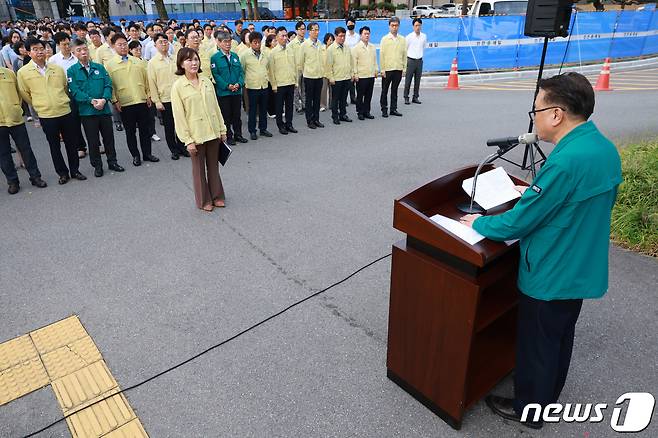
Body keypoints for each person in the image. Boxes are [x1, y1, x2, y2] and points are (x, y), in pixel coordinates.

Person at [460, 73, 622, 430]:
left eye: (536, 110)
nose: (533, 117)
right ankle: (548, 397)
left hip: (552, 270)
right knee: (560, 336)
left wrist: (479, 225)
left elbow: (520, 222)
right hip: (581, 264)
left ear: (557, 114)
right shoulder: (602, 149)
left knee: (538, 343)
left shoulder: (565, 162)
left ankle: (530, 409)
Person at [17, 38, 86, 184]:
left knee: (71, 143)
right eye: (35, 49)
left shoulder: (56, 68)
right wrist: (39, 104)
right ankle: (62, 173)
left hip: (65, 111)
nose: (39, 51)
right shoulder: (23, 73)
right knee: (54, 146)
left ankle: (75, 170)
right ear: (29, 53)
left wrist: (60, 100)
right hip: (46, 114)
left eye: (41, 48)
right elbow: (25, 94)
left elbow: (65, 88)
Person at [171, 47, 227, 212]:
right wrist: (187, 140)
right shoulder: (178, 87)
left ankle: (217, 196)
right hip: (195, 135)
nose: (193, 63)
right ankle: (204, 200)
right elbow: (179, 117)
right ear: (181, 64)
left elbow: (216, 107)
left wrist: (222, 129)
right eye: (189, 60)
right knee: (199, 170)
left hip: (212, 131)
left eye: (195, 59)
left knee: (213, 167)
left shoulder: (206, 81)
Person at [67, 39, 125, 177]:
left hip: (104, 109)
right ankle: (97, 165)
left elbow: (108, 84)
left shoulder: (99, 67)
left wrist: (104, 99)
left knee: (109, 138)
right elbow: (75, 91)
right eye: (79, 50)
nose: (83, 52)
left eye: (85, 49)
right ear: (73, 53)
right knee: (93, 141)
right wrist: (91, 101)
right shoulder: (72, 71)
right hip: (88, 112)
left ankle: (112, 161)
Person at [105, 33, 159, 167]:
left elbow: (146, 80)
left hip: (141, 100)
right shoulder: (110, 65)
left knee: (144, 130)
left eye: (125, 44)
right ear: (113, 46)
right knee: (130, 131)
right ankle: (135, 155)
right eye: (119, 44)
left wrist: (148, 95)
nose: (123, 47)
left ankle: (147, 153)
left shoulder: (137, 61)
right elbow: (110, 85)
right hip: (125, 103)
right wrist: (114, 100)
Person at [0, 65, 47, 194]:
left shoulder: (9, 73)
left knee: (26, 149)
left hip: (15, 118)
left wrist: (17, 108)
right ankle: (12, 181)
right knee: (3, 154)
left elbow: (18, 92)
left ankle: (35, 177)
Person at [148, 33, 188, 160]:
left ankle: (182, 147)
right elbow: (152, 83)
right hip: (165, 99)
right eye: (160, 42)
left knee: (181, 124)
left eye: (165, 41)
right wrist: (157, 101)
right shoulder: (152, 63)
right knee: (169, 126)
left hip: (179, 97)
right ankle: (174, 149)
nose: (164, 44)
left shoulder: (175, 59)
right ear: (155, 45)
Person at [50, 31, 89, 158]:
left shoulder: (78, 56)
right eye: (64, 44)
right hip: (68, 95)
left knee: (89, 119)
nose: (67, 47)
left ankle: (96, 144)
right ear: (58, 45)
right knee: (74, 122)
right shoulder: (53, 60)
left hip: (84, 92)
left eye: (68, 44)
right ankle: (80, 146)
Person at [210, 30, 247, 146]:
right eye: (225, 42)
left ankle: (238, 134)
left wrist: (239, 84)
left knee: (237, 115)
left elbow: (241, 72)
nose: (228, 44)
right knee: (226, 115)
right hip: (224, 92)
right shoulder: (215, 58)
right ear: (219, 43)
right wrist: (227, 86)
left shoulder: (235, 56)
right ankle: (229, 136)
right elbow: (216, 75)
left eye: (229, 41)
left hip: (236, 91)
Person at [239, 31, 273, 141]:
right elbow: (242, 70)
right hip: (252, 87)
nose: (257, 45)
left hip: (264, 85)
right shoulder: (245, 55)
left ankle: (263, 129)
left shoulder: (265, 54)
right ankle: (252, 131)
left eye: (259, 42)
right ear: (250, 43)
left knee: (263, 109)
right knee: (252, 110)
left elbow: (267, 68)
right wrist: (246, 82)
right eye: (254, 42)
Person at [268, 26, 298, 136]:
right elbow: (271, 71)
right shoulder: (273, 53)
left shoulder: (291, 50)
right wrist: (274, 85)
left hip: (290, 82)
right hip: (279, 84)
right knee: (279, 107)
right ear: (277, 37)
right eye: (282, 36)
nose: (285, 38)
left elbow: (295, 66)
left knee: (290, 105)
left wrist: (296, 81)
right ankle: (280, 125)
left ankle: (289, 124)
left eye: (286, 36)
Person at [325, 27, 353, 125]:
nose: (342, 38)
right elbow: (328, 65)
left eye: (344, 36)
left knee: (344, 98)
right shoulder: (331, 49)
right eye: (340, 36)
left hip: (346, 77)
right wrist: (331, 77)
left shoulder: (347, 47)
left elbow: (351, 62)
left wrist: (351, 74)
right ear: (336, 36)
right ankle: (335, 116)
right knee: (335, 98)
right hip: (336, 78)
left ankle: (343, 114)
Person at [379, 17, 406, 118]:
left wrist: (404, 68)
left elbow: (404, 54)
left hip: (398, 68)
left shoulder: (402, 39)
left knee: (395, 90)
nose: (394, 27)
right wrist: (382, 69)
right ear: (389, 26)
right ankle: (384, 109)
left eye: (396, 25)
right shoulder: (384, 39)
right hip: (387, 69)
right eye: (392, 25)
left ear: (399, 26)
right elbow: (382, 55)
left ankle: (393, 109)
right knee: (384, 90)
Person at [300, 22, 324, 130]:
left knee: (317, 98)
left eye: (317, 29)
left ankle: (316, 119)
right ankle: (309, 120)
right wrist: (307, 71)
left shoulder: (320, 44)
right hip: (309, 76)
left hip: (319, 75)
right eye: (314, 30)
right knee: (309, 99)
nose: (316, 32)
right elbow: (301, 62)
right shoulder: (304, 45)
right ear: (309, 32)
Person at [352, 26, 377, 120]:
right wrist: (355, 74)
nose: (367, 35)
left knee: (368, 95)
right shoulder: (356, 48)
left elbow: (375, 60)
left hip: (370, 74)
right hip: (361, 76)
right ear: (360, 35)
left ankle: (367, 111)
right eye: (365, 34)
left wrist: (376, 70)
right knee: (360, 95)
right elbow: (354, 63)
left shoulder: (372, 47)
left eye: (368, 33)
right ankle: (360, 112)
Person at [404, 18, 427, 105]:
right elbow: (405, 48)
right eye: (416, 25)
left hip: (419, 61)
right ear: (413, 26)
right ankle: (406, 97)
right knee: (408, 80)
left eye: (419, 25)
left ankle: (415, 97)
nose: (418, 27)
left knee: (417, 80)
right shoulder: (409, 37)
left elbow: (424, 46)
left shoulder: (424, 36)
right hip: (410, 60)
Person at [290, 21, 306, 113]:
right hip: (296, 68)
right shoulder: (292, 44)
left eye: (304, 29)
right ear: (297, 30)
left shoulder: (307, 42)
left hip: (305, 68)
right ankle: (297, 106)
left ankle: (304, 105)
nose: (303, 31)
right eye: (301, 29)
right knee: (296, 88)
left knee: (305, 88)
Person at [344, 18, 359, 105]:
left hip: (355, 60)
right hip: (346, 59)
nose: (350, 25)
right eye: (349, 24)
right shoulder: (344, 35)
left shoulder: (357, 36)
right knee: (346, 80)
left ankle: (353, 98)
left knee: (353, 80)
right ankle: (344, 99)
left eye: (352, 23)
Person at [320, 33, 334, 112]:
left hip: (332, 72)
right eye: (329, 40)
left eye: (332, 40)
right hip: (324, 73)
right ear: (326, 41)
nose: (331, 42)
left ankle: (332, 104)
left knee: (332, 90)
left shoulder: (333, 49)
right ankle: (322, 105)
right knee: (323, 90)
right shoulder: (322, 49)